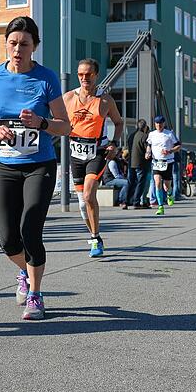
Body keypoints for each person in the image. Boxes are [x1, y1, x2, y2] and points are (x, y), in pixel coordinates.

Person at [0, 16, 70, 321]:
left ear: (35, 47)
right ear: (5, 44)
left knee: (30, 227)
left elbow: (64, 126)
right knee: (7, 239)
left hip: (39, 165)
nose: (18, 49)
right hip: (4, 164)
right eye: (13, 43)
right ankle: (24, 272)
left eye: (24, 44)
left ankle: (36, 293)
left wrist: (41, 123)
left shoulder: (46, 78)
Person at [63, 58, 124, 258]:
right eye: (80, 74)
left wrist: (114, 143)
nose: (84, 78)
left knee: (89, 195)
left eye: (88, 74)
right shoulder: (68, 98)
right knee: (82, 203)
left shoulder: (105, 100)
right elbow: (56, 119)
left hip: (97, 152)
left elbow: (118, 122)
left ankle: (95, 238)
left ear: (96, 75)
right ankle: (94, 235)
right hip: (75, 153)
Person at [145, 116, 180, 216]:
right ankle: (160, 207)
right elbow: (149, 145)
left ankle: (169, 194)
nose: (158, 125)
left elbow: (178, 146)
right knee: (157, 182)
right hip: (156, 162)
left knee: (166, 186)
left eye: (160, 123)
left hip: (167, 162)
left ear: (164, 124)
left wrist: (170, 151)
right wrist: (148, 153)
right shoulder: (151, 134)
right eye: (157, 123)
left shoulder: (169, 134)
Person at [128, 119, 150, 208]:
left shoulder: (131, 136)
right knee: (141, 182)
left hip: (131, 162)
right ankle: (136, 202)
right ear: (144, 127)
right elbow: (147, 151)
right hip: (141, 163)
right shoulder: (144, 137)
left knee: (130, 182)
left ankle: (125, 201)